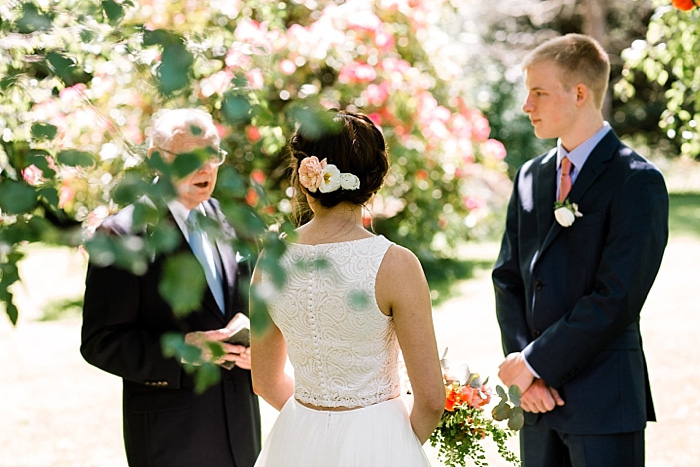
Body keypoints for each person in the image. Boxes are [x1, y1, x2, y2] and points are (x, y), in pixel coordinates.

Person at [493, 34, 669, 466]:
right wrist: (524, 374)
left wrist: (535, 364)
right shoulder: (531, 176)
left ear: (579, 93)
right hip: (536, 406)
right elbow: (509, 277)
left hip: (603, 402)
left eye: (538, 92)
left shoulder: (636, 180)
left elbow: (617, 298)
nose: (526, 105)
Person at [250, 110, 445, 466]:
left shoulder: (271, 260)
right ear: (374, 180)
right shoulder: (396, 264)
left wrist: (315, 426)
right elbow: (432, 400)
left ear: (304, 176)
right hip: (380, 443)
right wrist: (391, 442)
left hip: (295, 441)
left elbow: (264, 380)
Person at [81, 108, 261, 466]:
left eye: (213, 155)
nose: (206, 168)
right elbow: (100, 342)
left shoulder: (233, 225)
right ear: (156, 160)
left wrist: (256, 336)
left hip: (240, 430)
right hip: (170, 438)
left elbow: (254, 311)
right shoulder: (121, 235)